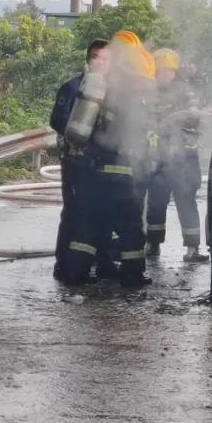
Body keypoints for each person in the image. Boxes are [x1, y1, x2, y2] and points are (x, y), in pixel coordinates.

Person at [57, 35, 153, 288]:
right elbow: (135, 138)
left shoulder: (100, 91)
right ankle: (132, 276)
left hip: (92, 172)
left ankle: (75, 273)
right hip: (119, 176)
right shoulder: (127, 98)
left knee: (88, 225)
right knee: (132, 228)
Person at [49, 38, 116, 282]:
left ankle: (102, 263)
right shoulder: (72, 87)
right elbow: (56, 120)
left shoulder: (114, 90)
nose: (101, 63)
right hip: (75, 160)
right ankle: (63, 264)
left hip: (103, 162)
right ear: (88, 60)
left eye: (106, 59)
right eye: (96, 57)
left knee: (103, 211)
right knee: (74, 211)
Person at [142, 48, 208, 262]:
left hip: (184, 158)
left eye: (168, 71)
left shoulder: (185, 91)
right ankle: (152, 244)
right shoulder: (148, 92)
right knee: (156, 201)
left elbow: (195, 109)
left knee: (186, 199)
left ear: (174, 72)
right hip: (158, 156)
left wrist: (191, 112)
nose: (164, 75)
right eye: (161, 71)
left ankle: (192, 248)